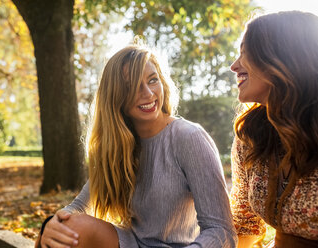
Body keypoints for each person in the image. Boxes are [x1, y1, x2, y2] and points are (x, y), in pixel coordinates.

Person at [37, 44, 237, 248]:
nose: (148, 93)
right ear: (116, 97)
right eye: (132, 86)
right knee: (59, 231)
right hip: (130, 243)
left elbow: (221, 230)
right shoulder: (118, 145)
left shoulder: (189, 138)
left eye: (153, 80)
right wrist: (53, 224)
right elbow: (80, 206)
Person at [229, 11, 318, 248]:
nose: (233, 66)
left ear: (280, 57)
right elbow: (245, 224)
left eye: (245, 54)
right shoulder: (250, 134)